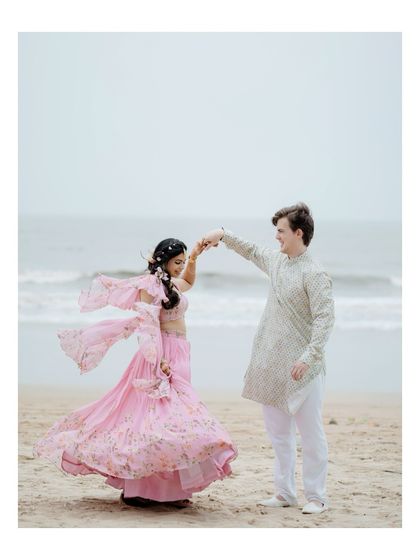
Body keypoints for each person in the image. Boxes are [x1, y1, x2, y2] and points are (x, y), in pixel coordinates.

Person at [33, 238, 237, 509]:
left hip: (180, 352)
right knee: (152, 421)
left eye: (183, 262)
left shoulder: (171, 283)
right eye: (177, 262)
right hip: (159, 355)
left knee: (173, 420)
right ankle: (140, 490)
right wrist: (159, 360)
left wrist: (196, 258)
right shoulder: (149, 285)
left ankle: (172, 491)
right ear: (163, 260)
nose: (181, 267)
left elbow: (188, 283)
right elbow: (148, 325)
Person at [202, 203, 335, 514]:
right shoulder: (276, 262)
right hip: (271, 364)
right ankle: (285, 492)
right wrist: (222, 234)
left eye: (280, 231)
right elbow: (249, 250)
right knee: (279, 435)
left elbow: (325, 319)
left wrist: (309, 356)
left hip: (304, 369)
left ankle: (316, 496)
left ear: (298, 233)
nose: (276, 237)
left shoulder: (315, 273)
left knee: (311, 434)